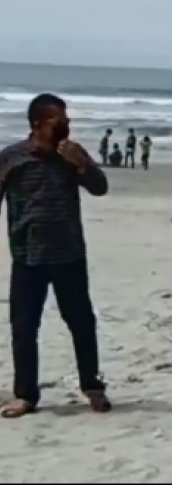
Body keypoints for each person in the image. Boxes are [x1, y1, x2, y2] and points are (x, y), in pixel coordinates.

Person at [0, 93, 110, 418]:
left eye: (66, 119)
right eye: (58, 120)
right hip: (27, 256)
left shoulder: (72, 154)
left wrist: (83, 165)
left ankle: (92, 387)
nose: (66, 125)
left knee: (81, 323)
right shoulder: (11, 158)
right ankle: (26, 396)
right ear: (38, 124)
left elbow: (100, 187)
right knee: (24, 328)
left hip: (69, 254)